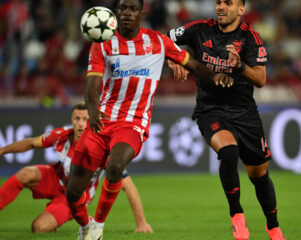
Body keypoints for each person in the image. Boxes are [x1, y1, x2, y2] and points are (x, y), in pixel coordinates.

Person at [65, 0, 233, 240]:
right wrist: (93, 112)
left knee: (115, 167)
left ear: (141, 14)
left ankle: (98, 227)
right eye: (122, 8)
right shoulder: (102, 44)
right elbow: (92, 85)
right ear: (116, 12)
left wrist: (216, 74)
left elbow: (193, 64)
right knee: (72, 193)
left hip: (133, 123)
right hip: (102, 120)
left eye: (132, 9)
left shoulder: (157, 41)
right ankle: (84, 225)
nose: (126, 13)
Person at [167, 0, 286, 240]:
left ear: (241, 10)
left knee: (259, 175)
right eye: (218, 2)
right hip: (210, 109)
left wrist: (240, 66)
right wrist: (172, 59)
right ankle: (237, 215)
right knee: (229, 151)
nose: (221, 7)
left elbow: (261, 79)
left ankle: (273, 226)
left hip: (244, 112)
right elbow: (163, 39)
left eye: (228, 3)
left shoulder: (251, 38)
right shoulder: (199, 29)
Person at [0, 103, 153, 235]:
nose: (81, 124)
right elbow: (31, 143)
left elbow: (129, 187)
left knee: (39, 227)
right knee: (25, 173)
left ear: (93, 120)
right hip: (55, 178)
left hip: (74, 196)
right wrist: (2, 151)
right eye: (77, 119)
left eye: (86, 119)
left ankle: (69, 220)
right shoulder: (62, 135)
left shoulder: (102, 149)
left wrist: (141, 223)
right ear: (71, 120)